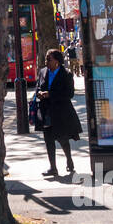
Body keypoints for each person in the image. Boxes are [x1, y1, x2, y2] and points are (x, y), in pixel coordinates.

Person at [35, 49, 81, 177]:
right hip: (46, 111)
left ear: (57, 61)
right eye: (45, 59)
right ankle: (53, 167)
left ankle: (69, 160)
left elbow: (69, 94)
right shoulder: (43, 72)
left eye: (48, 59)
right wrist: (39, 93)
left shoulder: (66, 74)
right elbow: (38, 86)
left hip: (61, 112)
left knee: (62, 139)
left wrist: (50, 94)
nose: (46, 62)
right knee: (48, 139)